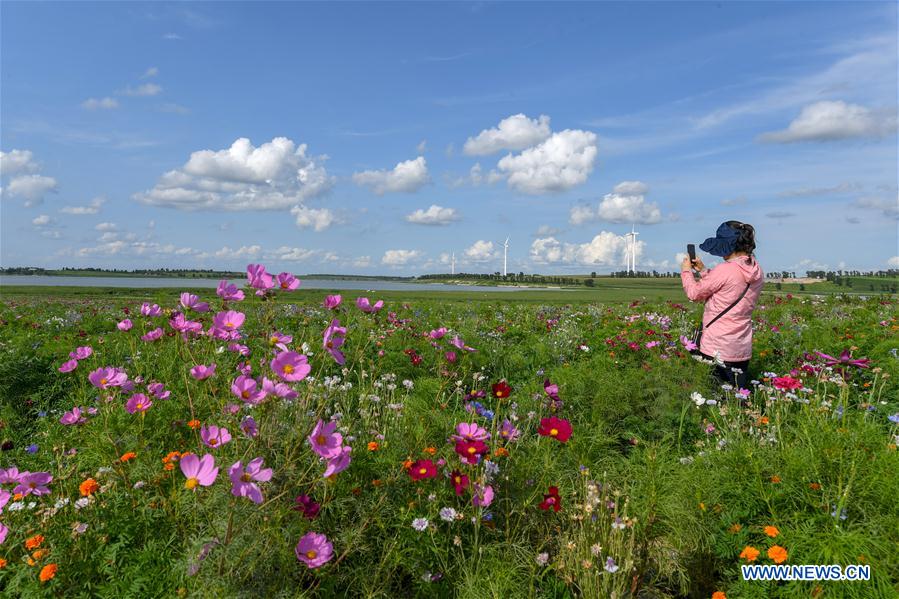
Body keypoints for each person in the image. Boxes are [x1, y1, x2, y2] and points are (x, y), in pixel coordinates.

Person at [681, 221, 764, 389]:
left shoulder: (725, 269)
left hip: (716, 345)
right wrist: (704, 271)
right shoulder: (756, 269)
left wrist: (686, 271)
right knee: (737, 395)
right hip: (741, 345)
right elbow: (728, 287)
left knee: (713, 395)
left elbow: (694, 294)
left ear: (727, 245)